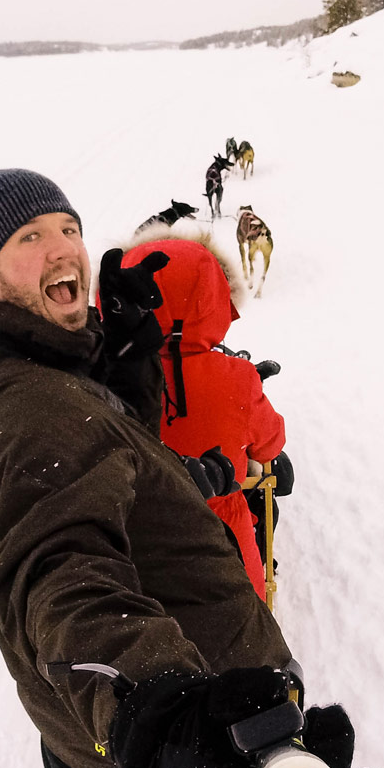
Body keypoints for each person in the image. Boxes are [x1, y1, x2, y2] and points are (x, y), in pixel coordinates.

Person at [0, 168, 383, 768]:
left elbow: (100, 472)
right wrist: (165, 720)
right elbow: (65, 574)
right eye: (30, 237)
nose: (62, 249)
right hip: (182, 720)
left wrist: (133, 389)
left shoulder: (13, 365)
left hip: (81, 740)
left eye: (68, 228)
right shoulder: (31, 406)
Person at [121, 236, 285, 601]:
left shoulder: (110, 378)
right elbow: (270, 441)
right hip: (222, 536)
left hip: (136, 539)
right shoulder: (238, 377)